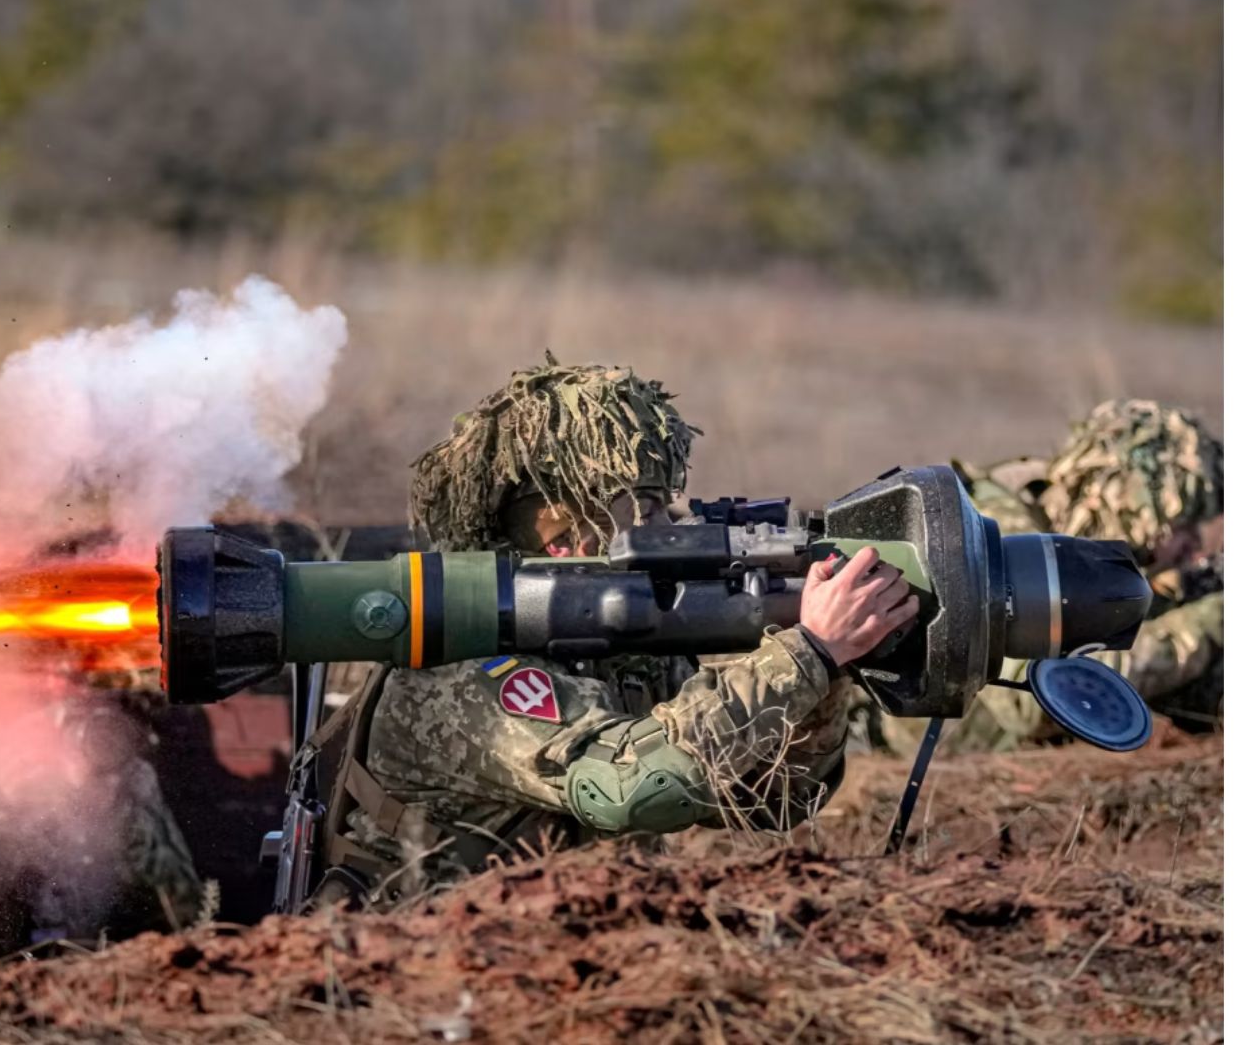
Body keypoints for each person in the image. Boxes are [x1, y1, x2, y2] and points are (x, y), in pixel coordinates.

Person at [302, 358, 917, 906]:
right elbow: (629, 788)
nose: (662, 526)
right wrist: (806, 653)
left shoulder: (616, 653)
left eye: (657, 506)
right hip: (411, 975)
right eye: (636, 510)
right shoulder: (462, 672)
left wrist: (826, 669)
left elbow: (771, 800)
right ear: (562, 533)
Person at [877, 398, 1222, 755]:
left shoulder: (1065, 538)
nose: (1196, 553)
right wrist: (1210, 623)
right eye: (1186, 536)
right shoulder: (991, 539)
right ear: (1143, 510)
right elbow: (1035, 698)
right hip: (897, 752)